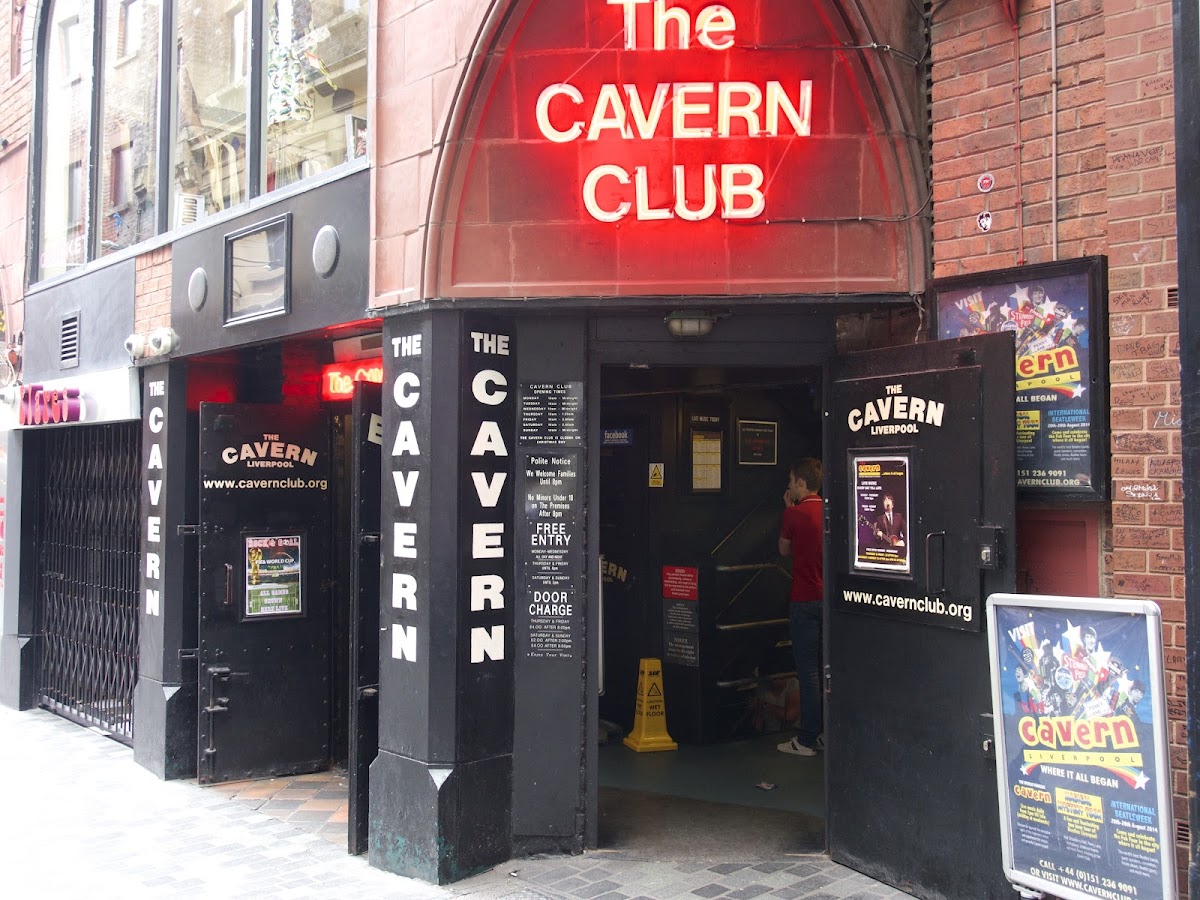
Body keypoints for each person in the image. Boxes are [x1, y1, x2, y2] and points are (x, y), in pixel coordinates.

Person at [777, 458, 824, 757]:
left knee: (807, 672)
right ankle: (823, 733)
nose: (790, 486)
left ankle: (806, 738)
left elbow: (783, 550)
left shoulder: (794, 514)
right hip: (827, 602)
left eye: (793, 482)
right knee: (826, 670)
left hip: (804, 600)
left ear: (802, 484)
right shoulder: (829, 510)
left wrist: (786, 509)